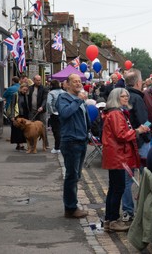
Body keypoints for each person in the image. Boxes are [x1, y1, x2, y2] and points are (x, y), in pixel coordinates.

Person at [102, 88, 150, 231]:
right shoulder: (116, 113)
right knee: (118, 188)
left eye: (127, 96)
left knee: (114, 188)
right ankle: (113, 221)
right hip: (118, 156)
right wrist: (138, 131)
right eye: (123, 96)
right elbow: (121, 135)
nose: (126, 99)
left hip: (115, 155)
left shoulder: (114, 112)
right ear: (116, 98)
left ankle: (109, 220)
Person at [56, 74, 91, 219]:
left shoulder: (79, 99)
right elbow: (65, 114)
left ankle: (72, 205)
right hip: (71, 141)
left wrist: (89, 131)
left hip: (81, 140)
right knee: (71, 176)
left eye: (79, 81)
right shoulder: (64, 98)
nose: (78, 83)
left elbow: (84, 118)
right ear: (67, 84)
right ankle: (70, 208)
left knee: (76, 175)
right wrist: (78, 100)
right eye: (74, 81)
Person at [121, 69, 151, 222]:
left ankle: (127, 211)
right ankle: (145, 210)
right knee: (147, 178)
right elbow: (144, 122)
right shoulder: (138, 99)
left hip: (126, 143)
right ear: (139, 83)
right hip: (140, 143)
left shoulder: (122, 96)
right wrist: (148, 136)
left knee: (126, 180)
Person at [28, 75, 49, 148]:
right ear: (34, 80)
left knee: (43, 127)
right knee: (31, 127)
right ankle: (31, 144)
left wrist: (42, 106)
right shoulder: (30, 88)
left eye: (39, 80)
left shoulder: (44, 88)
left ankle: (46, 144)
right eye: (37, 80)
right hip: (32, 110)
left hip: (41, 111)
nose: (39, 81)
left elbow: (45, 99)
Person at [8, 83, 29, 151]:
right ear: (20, 88)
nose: (25, 91)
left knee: (23, 130)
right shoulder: (15, 94)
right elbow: (12, 105)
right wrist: (12, 115)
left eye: (26, 90)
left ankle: (20, 144)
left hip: (24, 115)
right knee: (17, 131)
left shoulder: (26, 95)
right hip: (17, 115)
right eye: (24, 90)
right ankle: (20, 144)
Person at [47, 80, 65, 154]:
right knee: (62, 130)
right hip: (63, 113)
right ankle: (62, 146)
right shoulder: (64, 92)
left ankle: (57, 147)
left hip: (55, 114)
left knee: (56, 131)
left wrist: (51, 112)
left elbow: (48, 103)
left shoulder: (51, 93)